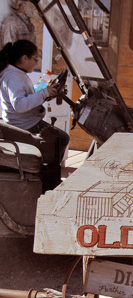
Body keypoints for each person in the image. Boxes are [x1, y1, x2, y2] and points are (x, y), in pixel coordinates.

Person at [0, 39, 69, 191]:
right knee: (61, 139)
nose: (36, 62)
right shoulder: (13, 77)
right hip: (24, 126)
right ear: (24, 58)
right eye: (35, 59)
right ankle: (45, 182)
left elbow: (24, 99)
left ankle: (47, 177)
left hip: (26, 122)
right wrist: (44, 93)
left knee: (59, 139)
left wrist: (44, 93)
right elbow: (19, 105)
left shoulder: (16, 74)